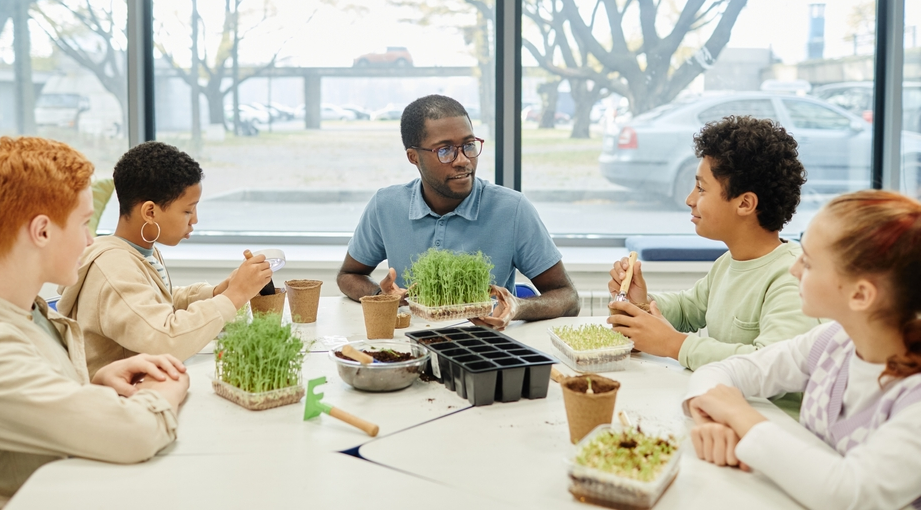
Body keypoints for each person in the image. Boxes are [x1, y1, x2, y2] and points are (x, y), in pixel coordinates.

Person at [0, 137, 189, 509]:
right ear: (42, 231)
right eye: (83, 223)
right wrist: (166, 391)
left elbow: (28, 403)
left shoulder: (26, 314)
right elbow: (137, 433)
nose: (89, 240)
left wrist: (95, 380)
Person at [684, 190, 921, 510]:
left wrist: (740, 416)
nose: (794, 268)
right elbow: (727, 370)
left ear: (861, 295)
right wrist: (713, 419)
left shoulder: (913, 402)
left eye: (808, 262)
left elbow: (846, 492)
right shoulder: (830, 341)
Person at [337, 94, 579, 330]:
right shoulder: (386, 205)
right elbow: (348, 275)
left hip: (486, 347)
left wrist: (518, 307)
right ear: (414, 157)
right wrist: (381, 296)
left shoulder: (512, 209)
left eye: (469, 145)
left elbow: (568, 297)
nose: (463, 160)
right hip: (411, 343)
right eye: (445, 150)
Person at [607, 116, 818, 381]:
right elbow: (687, 308)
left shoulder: (792, 277)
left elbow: (771, 365)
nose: (689, 199)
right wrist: (640, 301)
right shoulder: (728, 263)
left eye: (701, 188)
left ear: (744, 204)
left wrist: (675, 345)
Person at [57, 141, 273, 376]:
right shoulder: (113, 268)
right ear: (150, 212)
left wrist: (214, 293)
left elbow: (156, 301)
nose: (194, 220)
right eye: (188, 210)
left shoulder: (140, 251)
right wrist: (235, 296)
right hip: (122, 397)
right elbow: (165, 339)